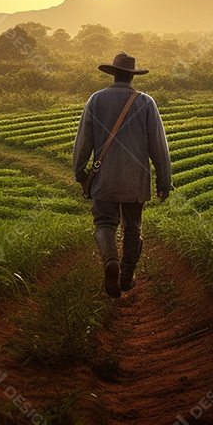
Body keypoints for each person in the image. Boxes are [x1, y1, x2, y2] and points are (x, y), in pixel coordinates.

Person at [73, 52, 173, 298]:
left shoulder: (95, 100)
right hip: (135, 179)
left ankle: (110, 262)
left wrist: (80, 170)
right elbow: (158, 145)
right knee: (133, 227)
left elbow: (84, 139)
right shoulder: (146, 102)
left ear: (113, 73)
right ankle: (126, 277)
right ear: (132, 76)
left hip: (104, 177)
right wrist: (164, 180)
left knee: (105, 223)